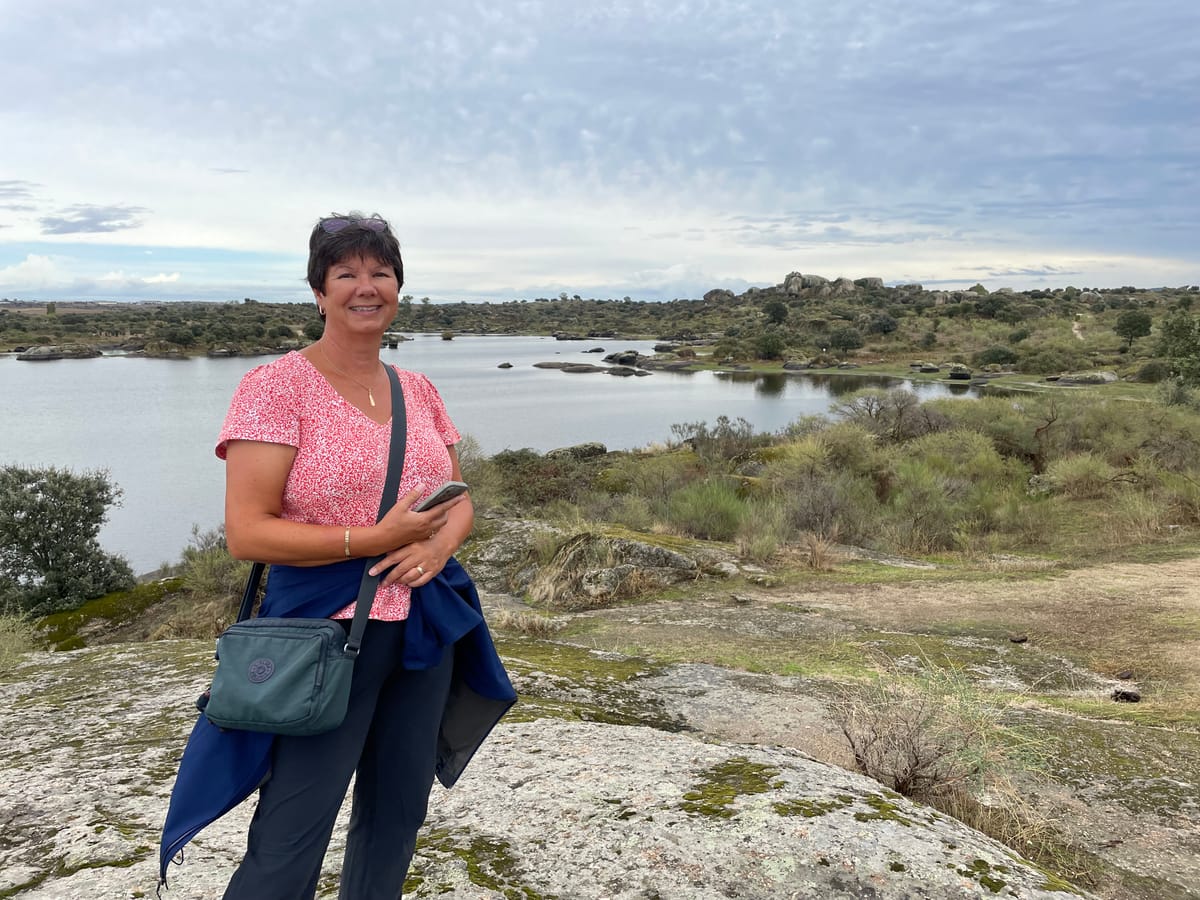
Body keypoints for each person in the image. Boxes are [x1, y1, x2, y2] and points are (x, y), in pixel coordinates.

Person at [159, 213, 515, 899]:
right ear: (319, 292)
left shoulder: (420, 391)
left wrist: (440, 545)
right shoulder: (277, 388)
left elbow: (457, 497)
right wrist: (371, 541)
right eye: (346, 273)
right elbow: (248, 532)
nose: (366, 286)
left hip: (420, 635)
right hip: (324, 640)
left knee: (396, 814)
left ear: (399, 289)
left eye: (381, 272)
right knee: (293, 830)